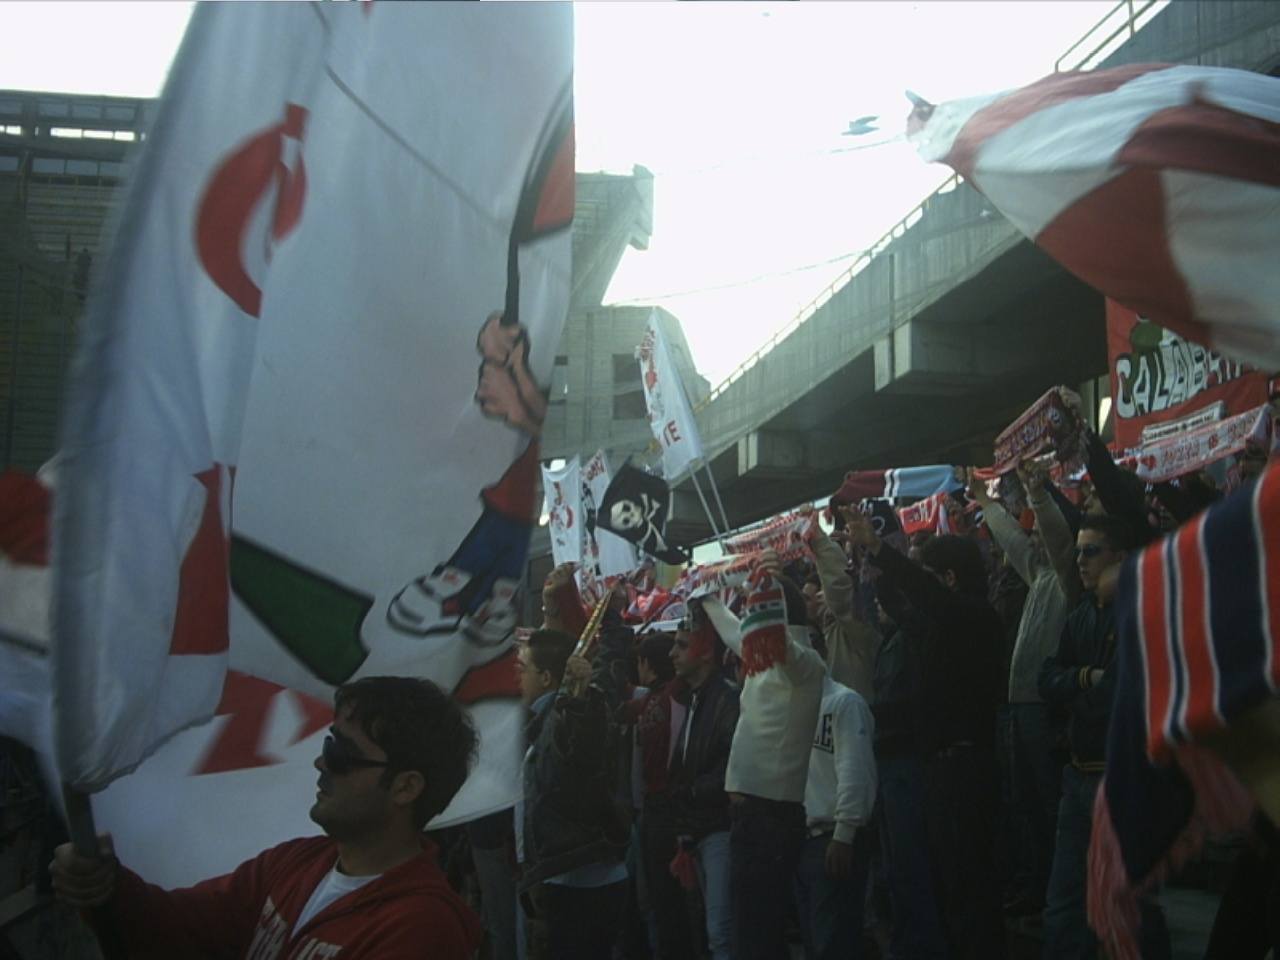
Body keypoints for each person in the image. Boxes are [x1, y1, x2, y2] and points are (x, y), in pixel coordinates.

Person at [50, 676, 483, 959]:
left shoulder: (423, 929)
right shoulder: (295, 864)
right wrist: (107, 888)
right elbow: (179, 931)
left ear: (406, 788)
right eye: (327, 744)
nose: (321, 764)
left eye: (341, 754)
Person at [845, 516, 1006, 960]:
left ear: (948, 579)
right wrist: (873, 573)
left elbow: (925, 598)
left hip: (966, 769)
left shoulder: (973, 617)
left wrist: (881, 548)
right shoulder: (945, 628)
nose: (922, 593)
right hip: (941, 768)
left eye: (930, 578)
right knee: (948, 886)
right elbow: (907, 612)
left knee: (969, 889)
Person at [1038, 514, 1170, 960]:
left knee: (1130, 902)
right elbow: (1047, 679)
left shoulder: (1139, 612)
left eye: (1091, 551)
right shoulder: (1079, 617)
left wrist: (1078, 685)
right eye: (1077, 551)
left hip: (1123, 776)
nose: (1080, 561)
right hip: (1078, 776)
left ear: (1119, 557)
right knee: (1064, 902)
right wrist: (1082, 679)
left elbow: (1117, 691)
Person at [701, 553, 825, 960]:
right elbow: (734, 631)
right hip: (751, 817)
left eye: (757, 610)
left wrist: (764, 595)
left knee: (759, 932)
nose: (749, 621)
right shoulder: (764, 655)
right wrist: (705, 592)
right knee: (752, 929)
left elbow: (781, 647)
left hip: (769, 818)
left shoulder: (805, 665)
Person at [968, 463, 1076, 915]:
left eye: (1040, 536)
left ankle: (1060, 891)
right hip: (1019, 708)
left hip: (1042, 709)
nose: (1032, 539)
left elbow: (1055, 537)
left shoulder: (1069, 579)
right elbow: (1013, 542)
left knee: (1048, 805)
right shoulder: (1038, 576)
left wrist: (1039, 496)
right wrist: (987, 501)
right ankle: (1038, 886)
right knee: (1025, 805)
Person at [517, 627, 630, 960]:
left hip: (578, 882)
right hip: (561, 875)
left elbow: (583, 751)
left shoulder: (568, 712)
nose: (516, 678)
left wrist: (579, 703)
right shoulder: (540, 721)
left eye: (523, 669)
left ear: (547, 677)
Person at [640, 606, 739, 960]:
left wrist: (691, 792)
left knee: (720, 932)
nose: (672, 653)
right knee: (709, 930)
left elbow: (732, 766)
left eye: (682, 645)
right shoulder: (695, 699)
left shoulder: (726, 699)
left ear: (706, 651)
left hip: (717, 827)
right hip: (697, 828)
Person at [794, 634, 877, 960]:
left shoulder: (845, 702)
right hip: (800, 838)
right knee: (815, 941)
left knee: (833, 942)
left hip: (832, 838)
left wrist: (845, 833)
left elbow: (856, 771)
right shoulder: (791, 706)